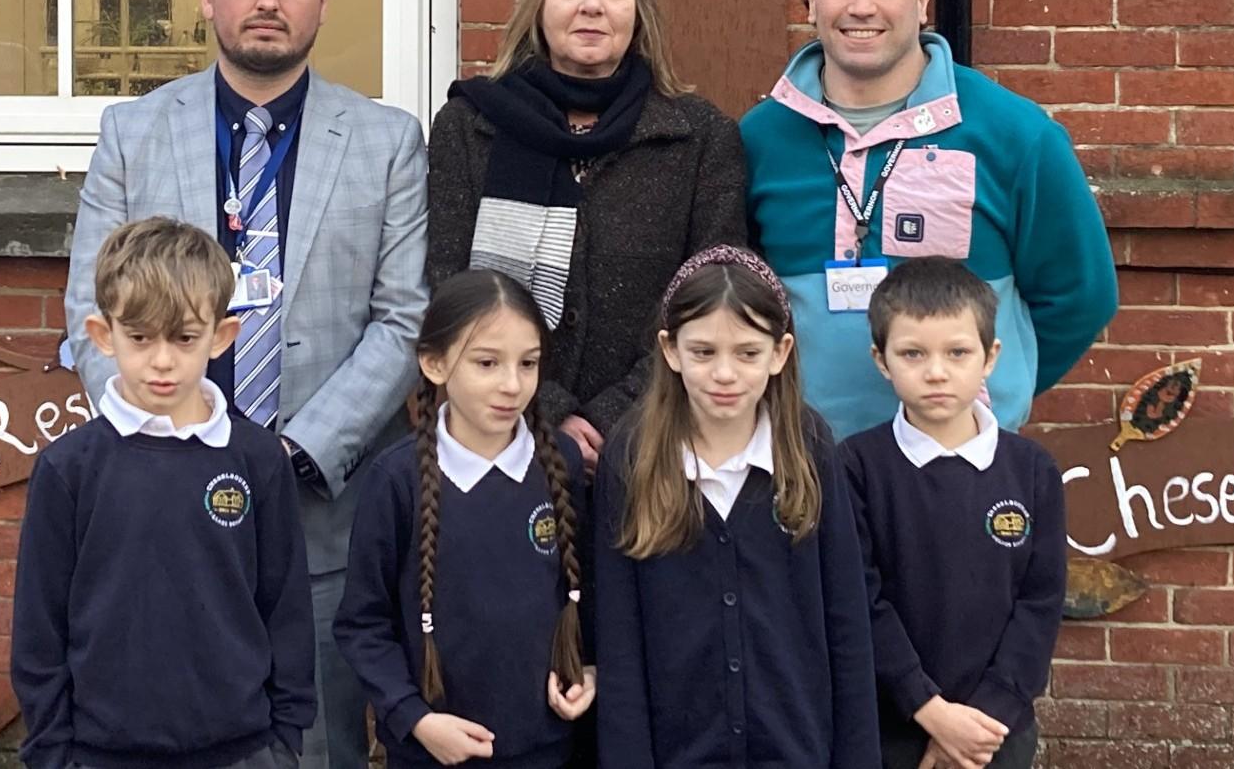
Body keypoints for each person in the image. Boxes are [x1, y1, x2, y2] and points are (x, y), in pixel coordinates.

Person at [63, 0, 429, 769]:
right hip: (158, 499)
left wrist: (295, 452)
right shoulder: (132, 132)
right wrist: (159, 437)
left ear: (324, 0)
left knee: (319, 739)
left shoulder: (386, 142)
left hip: (320, 503)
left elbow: (404, 315)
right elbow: (90, 311)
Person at [740, 0, 1117, 438]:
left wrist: (993, 395)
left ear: (923, 1)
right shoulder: (760, 138)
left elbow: (1081, 296)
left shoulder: (1016, 135)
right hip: (803, 466)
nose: (861, 6)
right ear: (810, 0)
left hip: (956, 467)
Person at [427, 0, 746, 470]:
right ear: (539, 7)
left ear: (638, 12)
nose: (591, 5)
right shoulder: (468, 127)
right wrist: (546, 409)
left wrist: (611, 419)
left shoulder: (700, 137)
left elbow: (710, 303)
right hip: (502, 438)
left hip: (656, 446)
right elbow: (449, 287)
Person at [13, 216, 315, 769]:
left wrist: (285, 739)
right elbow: (39, 631)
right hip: (102, 753)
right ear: (103, 336)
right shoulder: (68, 470)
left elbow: (287, 609)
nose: (161, 360)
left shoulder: (256, 460)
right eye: (140, 336)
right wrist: (53, 753)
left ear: (221, 337)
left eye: (183, 337)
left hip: (243, 751)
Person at [593, 245, 879, 769]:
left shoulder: (809, 447)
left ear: (780, 351)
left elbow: (846, 620)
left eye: (747, 353)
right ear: (671, 350)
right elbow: (618, 637)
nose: (725, 374)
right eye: (703, 352)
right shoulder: (632, 456)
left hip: (797, 749)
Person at [334, 269, 594, 769]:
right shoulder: (396, 479)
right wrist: (416, 718)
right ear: (434, 363)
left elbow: (588, 593)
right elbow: (362, 624)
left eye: (529, 363)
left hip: (547, 747)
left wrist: (589, 670)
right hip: (433, 753)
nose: (511, 384)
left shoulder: (559, 459)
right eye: (487, 363)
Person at [839, 258, 1067, 769]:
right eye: (913, 353)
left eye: (957, 352)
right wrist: (928, 710)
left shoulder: (1031, 470)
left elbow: (1040, 603)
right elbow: (859, 599)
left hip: (995, 732)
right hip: (888, 727)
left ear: (990, 357)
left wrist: (980, 721)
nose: (936, 371)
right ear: (882, 359)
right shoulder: (855, 465)